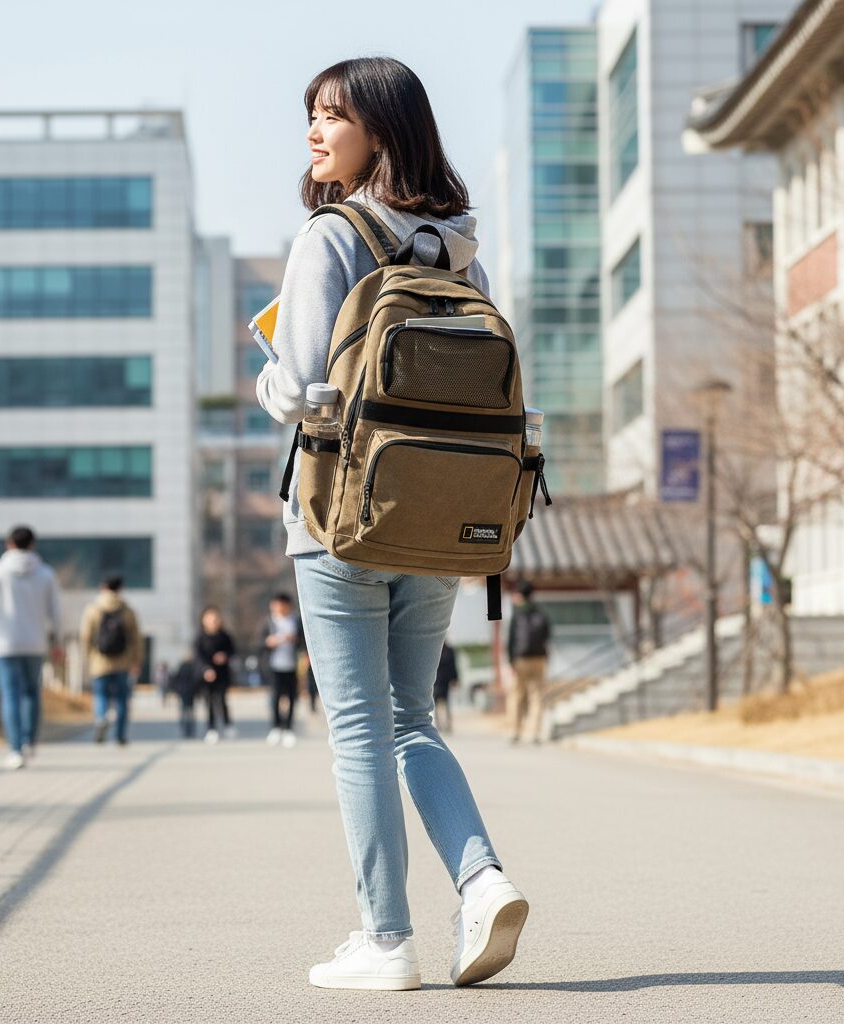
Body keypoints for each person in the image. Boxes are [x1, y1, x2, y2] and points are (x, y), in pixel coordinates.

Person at [255, 57, 528, 991]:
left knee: (360, 729)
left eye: (333, 115)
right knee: (413, 719)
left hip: (340, 518)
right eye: (312, 114)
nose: (314, 131)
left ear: (379, 129)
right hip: (442, 519)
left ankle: (385, 940)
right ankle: (483, 881)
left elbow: (301, 388)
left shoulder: (330, 235)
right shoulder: (460, 251)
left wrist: (266, 374)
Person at [0, 525, 63, 770]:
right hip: (35, 643)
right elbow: (56, 613)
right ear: (32, 545)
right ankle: (29, 740)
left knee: (10, 695)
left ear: (8, 544)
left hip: (5, 644)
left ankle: (15, 749)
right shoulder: (46, 574)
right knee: (32, 693)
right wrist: (58, 642)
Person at [79, 575, 143, 746]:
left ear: (102, 587)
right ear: (120, 589)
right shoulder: (127, 610)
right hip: (123, 662)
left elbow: (85, 636)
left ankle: (101, 718)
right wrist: (137, 660)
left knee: (101, 695)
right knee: (122, 699)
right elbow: (136, 638)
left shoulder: (93, 609)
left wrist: (88, 657)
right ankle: (120, 735)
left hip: (99, 662)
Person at [507, 581, 551, 746]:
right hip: (539, 659)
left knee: (517, 695)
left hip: (521, 660)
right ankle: (535, 733)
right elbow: (547, 635)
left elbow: (511, 639)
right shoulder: (540, 612)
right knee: (537, 696)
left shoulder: (517, 613)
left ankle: (515, 731)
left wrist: (511, 660)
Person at [259, 593, 302, 748]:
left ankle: (289, 728)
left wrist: (294, 639)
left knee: (291, 697)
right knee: (275, 698)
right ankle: (276, 727)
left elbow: (304, 641)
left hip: (292, 666)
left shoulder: (296, 620)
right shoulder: (268, 622)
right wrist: (269, 642)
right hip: (274, 666)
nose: (278, 608)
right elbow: (259, 643)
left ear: (288, 606)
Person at [195, 606, 237, 744]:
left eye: (215, 619)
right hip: (207, 675)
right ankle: (211, 728)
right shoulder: (200, 638)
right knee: (209, 701)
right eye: (210, 619)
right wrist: (206, 669)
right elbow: (199, 657)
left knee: (222, 699)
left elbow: (232, 651)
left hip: (222, 673)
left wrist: (224, 656)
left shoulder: (224, 636)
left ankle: (227, 724)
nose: (213, 622)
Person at [170, 653, 199, 739]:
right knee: (190, 712)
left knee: (184, 711)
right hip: (191, 692)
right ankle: (191, 730)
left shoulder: (181, 668)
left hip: (183, 692)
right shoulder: (193, 668)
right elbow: (196, 681)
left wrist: (177, 690)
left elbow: (175, 680)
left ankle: (184, 729)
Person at [433, 642, 459, 735]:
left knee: (447, 703)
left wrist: (455, 678)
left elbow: (453, 665)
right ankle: (439, 724)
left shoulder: (449, 650)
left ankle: (448, 724)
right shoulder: (433, 648)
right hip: (436, 680)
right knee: (435, 703)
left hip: (445, 681)